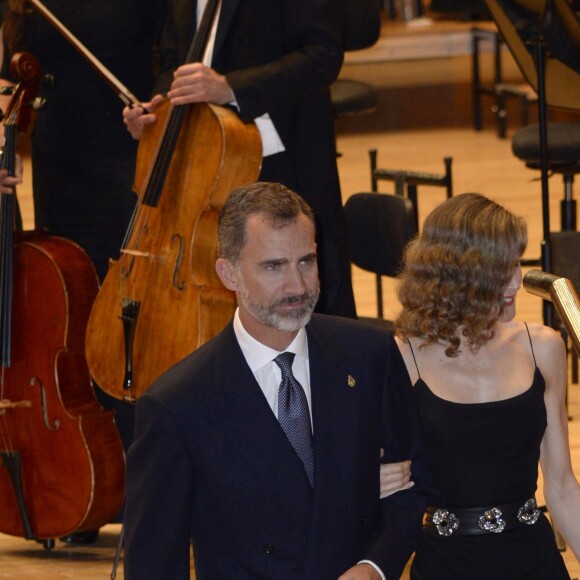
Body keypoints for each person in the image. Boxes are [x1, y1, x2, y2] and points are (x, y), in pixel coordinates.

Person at [123, 182, 435, 580]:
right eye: (274, 266)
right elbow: (154, 564)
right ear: (228, 273)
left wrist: (374, 567)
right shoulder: (177, 404)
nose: (298, 286)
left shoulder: (370, 354)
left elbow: (414, 485)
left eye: (306, 261)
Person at [0, 0, 168, 540]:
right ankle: (84, 485)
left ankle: (147, 485)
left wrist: (160, 104)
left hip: (130, 153)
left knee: (129, 321)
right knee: (69, 315)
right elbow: (11, 67)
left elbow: (174, 54)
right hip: (58, 159)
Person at [386, 193, 580, 578]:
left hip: (532, 560)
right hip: (445, 563)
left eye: (516, 264)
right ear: (459, 276)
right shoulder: (403, 357)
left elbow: (560, 487)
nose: (517, 281)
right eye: (500, 270)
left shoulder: (542, 347)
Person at [122, 0, 357, 318]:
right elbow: (173, 63)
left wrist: (229, 88)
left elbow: (322, 56)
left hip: (283, 153)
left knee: (297, 296)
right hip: (206, 161)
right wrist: (158, 110)